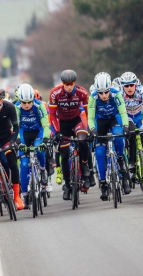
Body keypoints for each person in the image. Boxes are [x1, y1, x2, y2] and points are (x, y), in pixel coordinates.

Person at [49, 70, 92, 200]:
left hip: (77, 120)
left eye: (71, 83)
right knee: (64, 154)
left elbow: (88, 112)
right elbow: (52, 115)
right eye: (66, 84)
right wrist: (56, 132)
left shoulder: (82, 92)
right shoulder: (55, 93)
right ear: (62, 83)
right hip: (62, 123)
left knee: (83, 141)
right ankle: (67, 186)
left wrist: (89, 129)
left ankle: (84, 165)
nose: (69, 86)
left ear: (75, 82)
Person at [87, 72, 131, 199]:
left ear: (109, 88)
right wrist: (93, 130)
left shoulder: (116, 93)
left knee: (118, 135)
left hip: (114, 118)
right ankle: (103, 184)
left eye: (106, 92)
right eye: (101, 93)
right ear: (97, 91)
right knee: (100, 152)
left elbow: (123, 112)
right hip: (100, 122)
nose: (104, 95)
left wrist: (126, 126)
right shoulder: (93, 97)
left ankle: (121, 160)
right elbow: (90, 117)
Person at [119, 72, 143, 192]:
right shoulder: (120, 94)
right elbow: (119, 111)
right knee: (131, 135)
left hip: (141, 116)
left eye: (131, 85)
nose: (129, 88)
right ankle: (131, 161)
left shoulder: (141, 91)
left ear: (135, 84)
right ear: (123, 87)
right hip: (128, 117)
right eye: (126, 86)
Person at [15, 83, 53, 207]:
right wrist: (18, 141)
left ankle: (42, 171)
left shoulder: (39, 106)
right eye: (23, 102)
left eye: (29, 102)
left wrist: (46, 139)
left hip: (38, 132)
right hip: (23, 134)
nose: (26, 105)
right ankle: (25, 195)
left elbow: (45, 125)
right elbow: (15, 128)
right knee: (24, 165)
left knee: (40, 149)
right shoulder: (16, 108)